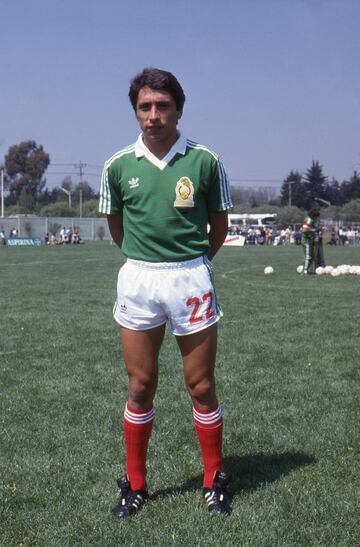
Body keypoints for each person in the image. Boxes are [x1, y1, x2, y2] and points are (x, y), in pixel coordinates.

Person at [98, 67, 233, 518]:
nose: (153, 115)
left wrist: (190, 263)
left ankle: (214, 479)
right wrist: (147, 261)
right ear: (135, 110)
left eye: (162, 106)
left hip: (190, 277)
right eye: (145, 106)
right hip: (138, 278)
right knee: (139, 385)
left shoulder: (205, 161)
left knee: (201, 385)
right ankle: (134, 483)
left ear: (179, 108)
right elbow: (118, 229)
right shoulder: (117, 166)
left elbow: (219, 226)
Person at [301, 207, 322, 274]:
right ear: (314, 216)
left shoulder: (311, 220)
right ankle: (305, 271)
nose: (317, 218)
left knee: (311, 256)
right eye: (316, 217)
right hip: (306, 240)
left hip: (309, 240)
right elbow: (305, 230)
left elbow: (311, 229)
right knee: (309, 256)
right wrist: (316, 230)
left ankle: (306, 269)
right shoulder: (309, 220)